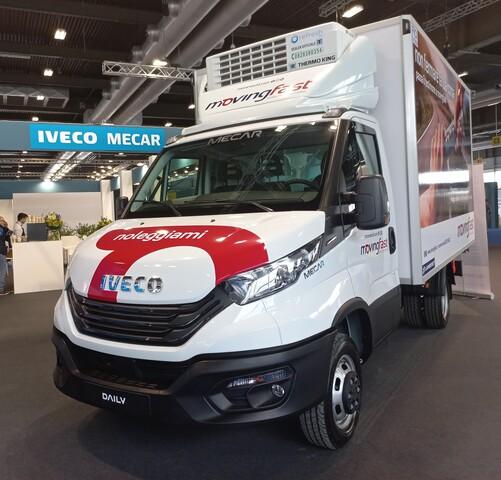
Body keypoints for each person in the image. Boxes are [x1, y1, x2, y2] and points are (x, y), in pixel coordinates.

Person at [0, 216, 12, 295]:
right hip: (1, 251)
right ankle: (1, 289)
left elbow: (9, 234)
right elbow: (8, 234)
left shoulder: (3, 229)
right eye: (2, 220)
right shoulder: (1, 229)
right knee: (2, 270)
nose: (3, 221)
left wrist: (6, 227)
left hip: (2, 251)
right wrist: (5, 227)